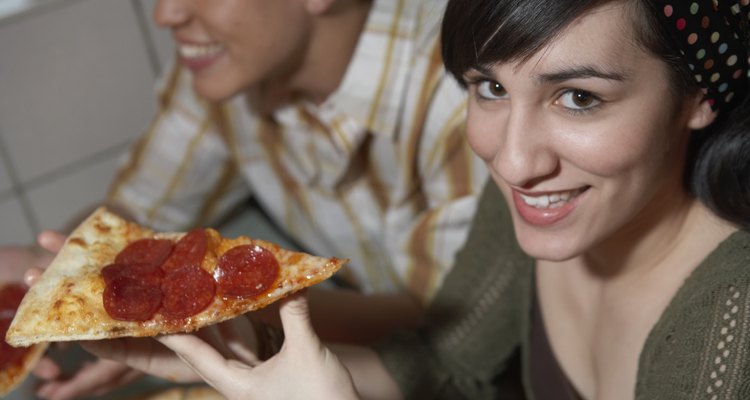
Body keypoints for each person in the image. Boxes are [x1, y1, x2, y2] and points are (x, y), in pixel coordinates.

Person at [71, 0, 750, 398]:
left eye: (579, 98)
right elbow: (444, 368)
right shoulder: (550, 203)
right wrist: (237, 346)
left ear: (698, 96)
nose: (513, 160)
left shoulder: (733, 328)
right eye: (489, 88)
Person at [8, 0, 487, 399]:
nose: (165, 13)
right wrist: (44, 275)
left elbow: (447, 323)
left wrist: (228, 319)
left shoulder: (468, 93)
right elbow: (138, 210)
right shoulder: (230, 62)